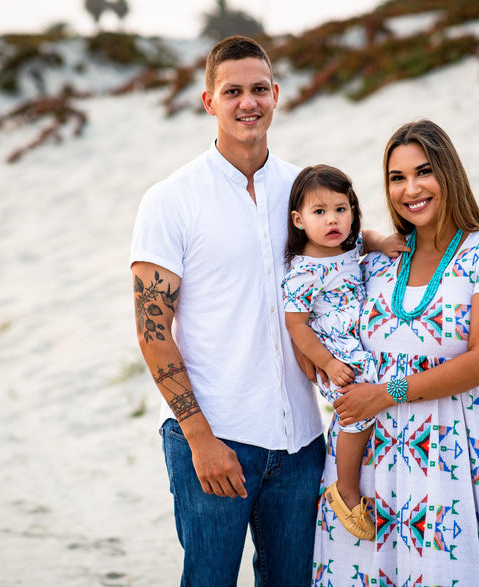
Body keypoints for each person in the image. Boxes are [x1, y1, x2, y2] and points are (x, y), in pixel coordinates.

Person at [129, 36, 325, 586]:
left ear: (276, 95)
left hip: (302, 443)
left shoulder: (303, 191)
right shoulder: (171, 200)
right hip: (216, 440)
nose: (248, 103)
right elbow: (152, 332)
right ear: (208, 101)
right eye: (232, 91)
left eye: (259, 89)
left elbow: (344, 271)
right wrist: (200, 440)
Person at [311, 119, 479, 586]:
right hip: (363, 466)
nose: (411, 189)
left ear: (448, 173)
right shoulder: (379, 261)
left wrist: (386, 393)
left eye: (423, 172)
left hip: (444, 464)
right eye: (396, 178)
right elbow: (310, 282)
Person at [281, 164, 408, 541]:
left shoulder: (348, 245)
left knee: (374, 405)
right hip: (336, 351)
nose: (332, 220)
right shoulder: (304, 271)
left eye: (341, 209)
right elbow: (296, 325)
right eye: (319, 212)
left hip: (357, 339)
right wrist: (329, 363)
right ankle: (346, 488)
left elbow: (364, 238)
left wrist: (382, 242)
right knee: (357, 412)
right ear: (299, 220)